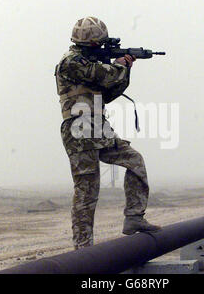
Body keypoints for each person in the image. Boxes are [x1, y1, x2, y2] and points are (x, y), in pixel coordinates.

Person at [55, 16, 161, 250]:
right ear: (91, 43)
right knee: (87, 191)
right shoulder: (71, 62)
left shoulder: (89, 63)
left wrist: (125, 69)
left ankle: (134, 217)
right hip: (79, 129)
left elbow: (108, 92)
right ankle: (83, 250)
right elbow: (104, 75)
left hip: (98, 127)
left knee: (135, 161)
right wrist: (120, 65)